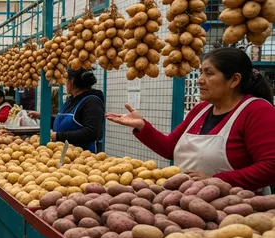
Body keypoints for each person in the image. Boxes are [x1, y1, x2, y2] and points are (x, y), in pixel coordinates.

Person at [107, 47, 275, 193]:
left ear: (234, 80)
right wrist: (143, 127)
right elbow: (169, 148)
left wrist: (217, 180)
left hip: (239, 210)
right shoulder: (201, 110)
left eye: (209, 73)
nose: (199, 79)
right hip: (191, 203)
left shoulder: (257, 110)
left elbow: (271, 166)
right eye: (201, 72)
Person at [28, 68, 105, 152]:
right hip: (63, 153)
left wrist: (58, 136)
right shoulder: (72, 100)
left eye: (66, 79)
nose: (65, 82)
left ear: (71, 81)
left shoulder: (92, 102)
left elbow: (91, 132)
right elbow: (62, 124)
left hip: (83, 156)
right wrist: (42, 117)